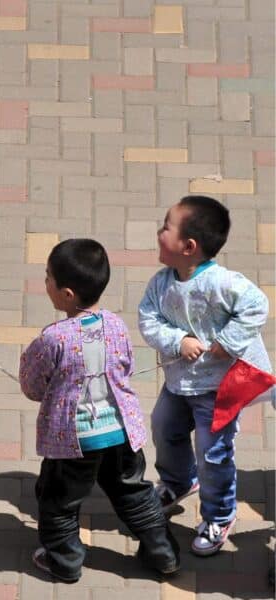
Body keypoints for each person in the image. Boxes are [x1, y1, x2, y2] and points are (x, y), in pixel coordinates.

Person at [20, 239, 180, 582]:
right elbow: (126, 365)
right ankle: (163, 553)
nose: (44, 281)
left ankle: (64, 561)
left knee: (59, 500)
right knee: (133, 491)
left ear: (65, 294)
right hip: (121, 431)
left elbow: (32, 385)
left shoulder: (53, 339)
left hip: (73, 442)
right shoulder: (116, 325)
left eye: (47, 277)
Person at [138, 195, 271, 556]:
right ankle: (179, 483)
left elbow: (257, 306)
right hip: (178, 383)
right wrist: (177, 340)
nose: (159, 232)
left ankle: (219, 514)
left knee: (213, 454)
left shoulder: (223, 283)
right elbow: (148, 319)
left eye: (166, 227)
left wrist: (227, 342)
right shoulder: (160, 283)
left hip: (218, 390)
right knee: (165, 428)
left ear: (188, 246)